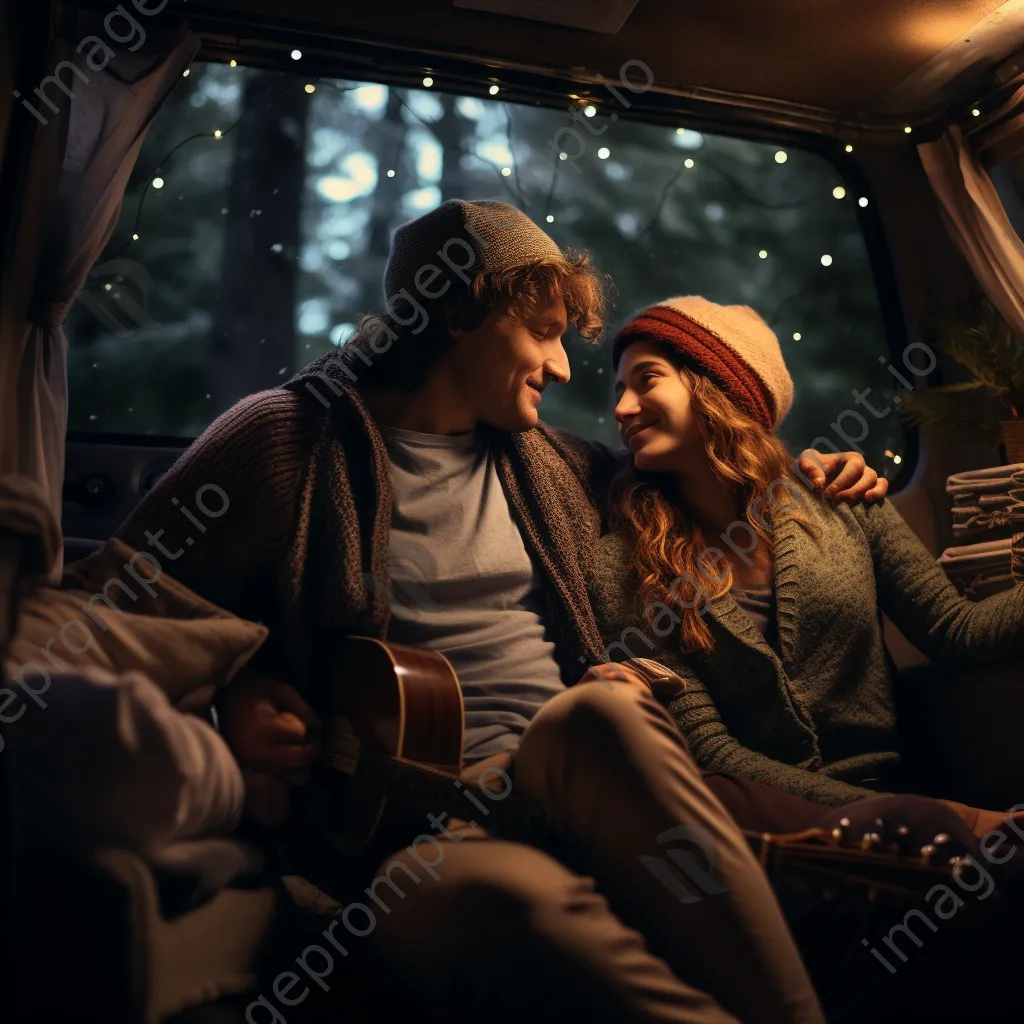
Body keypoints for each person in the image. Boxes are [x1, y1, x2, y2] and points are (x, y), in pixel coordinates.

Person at [70, 201, 889, 1023]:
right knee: (504, 903)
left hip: (567, 774)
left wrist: (811, 478)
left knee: (603, 714)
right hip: (411, 838)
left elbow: (708, 478)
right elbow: (107, 612)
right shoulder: (283, 442)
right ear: (462, 308)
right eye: (543, 331)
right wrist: (232, 692)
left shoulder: (561, 468)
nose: (564, 369)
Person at [592, 294, 1024, 825]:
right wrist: (930, 817)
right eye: (618, 392)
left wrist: (920, 812)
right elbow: (710, 752)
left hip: (898, 792)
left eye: (647, 379)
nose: (621, 409)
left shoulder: (838, 497)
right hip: (764, 822)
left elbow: (956, 628)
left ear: (718, 386)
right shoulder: (622, 566)